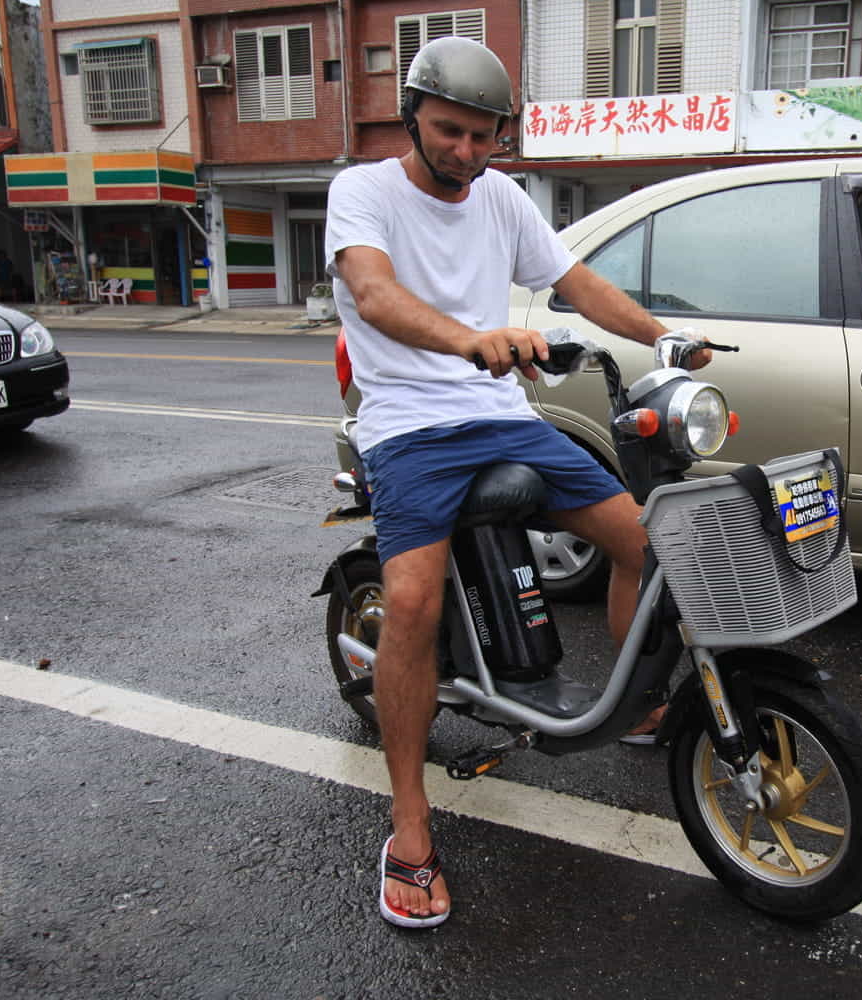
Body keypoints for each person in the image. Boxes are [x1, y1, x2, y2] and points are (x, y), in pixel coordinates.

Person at [324, 35, 706, 930]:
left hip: (501, 418)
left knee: (643, 541)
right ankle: (410, 825)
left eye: (483, 136)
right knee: (411, 603)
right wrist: (469, 340)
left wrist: (663, 339)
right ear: (413, 116)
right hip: (409, 426)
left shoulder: (500, 197)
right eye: (449, 131)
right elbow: (373, 295)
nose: (465, 151)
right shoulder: (363, 191)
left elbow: (575, 281)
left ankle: (633, 701)